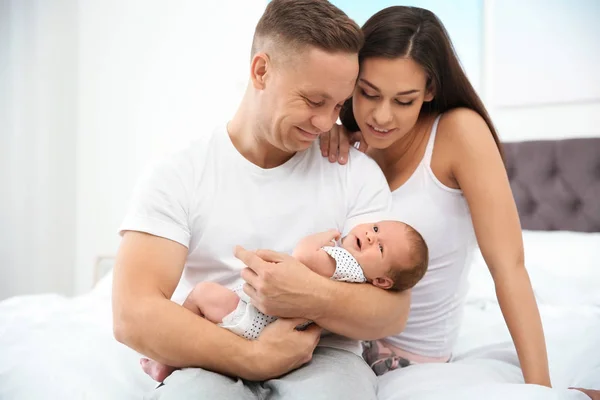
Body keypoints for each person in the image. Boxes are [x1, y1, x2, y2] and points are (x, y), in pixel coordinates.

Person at [112, 1, 414, 399]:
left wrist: (310, 293)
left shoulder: (352, 172)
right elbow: (133, 314)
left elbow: (391, 312)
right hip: (215, 344)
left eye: (338, 105)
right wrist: (254, 356)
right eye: (313, 101)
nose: (326, 123)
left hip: (324, 354)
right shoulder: (180, 173)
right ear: (261, 71)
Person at [320, 5, 600, 399]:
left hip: (415, 364)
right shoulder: (343, 145)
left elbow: (509, 267)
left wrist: (541, 391)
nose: (381, 116)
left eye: (404, 100)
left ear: (430, 90)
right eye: (368, 93)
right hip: (342, 348)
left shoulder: (458, 135)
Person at [140, 222, 428, 382]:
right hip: (272, 329)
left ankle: (166, 360)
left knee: (202, 293)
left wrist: (320, 238)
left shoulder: (346, 264)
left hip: (256, 318)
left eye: (379, 247)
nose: (368, 234)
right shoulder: (360, 283)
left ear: (382, 282)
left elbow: (304, 256)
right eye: (376, 228)